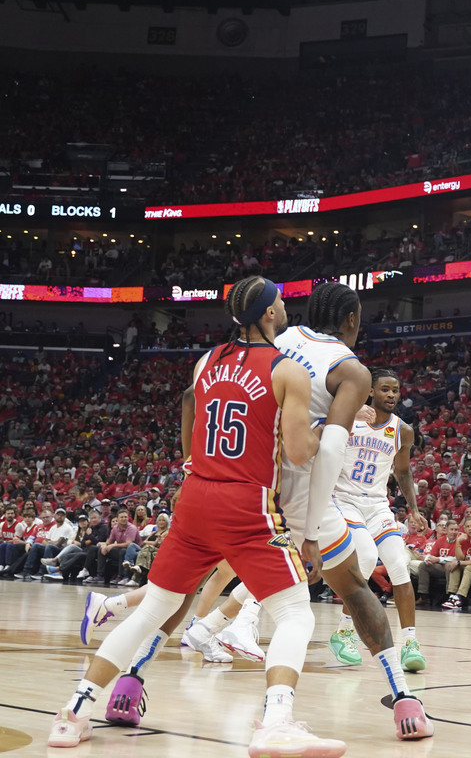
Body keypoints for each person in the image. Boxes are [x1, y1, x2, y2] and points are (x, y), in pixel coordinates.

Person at [47, 275, 348, 756]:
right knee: (295, 613)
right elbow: (297, 451)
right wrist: (329, 428)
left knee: (152, 611)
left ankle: (73, 713)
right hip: (245, 501)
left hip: (195, 496)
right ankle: (276, 722)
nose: (285, 308)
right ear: (270, 313)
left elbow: (196, 413)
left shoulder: (205, 361)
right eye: (280, 302)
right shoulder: (287, 369)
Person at [195, 281, 432, 739]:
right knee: (347, 589)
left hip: (250, 488)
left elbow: (200, 398)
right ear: (351, 319)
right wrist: (310, 531)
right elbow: (329, 452)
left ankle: (166, 650)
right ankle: (402, 698)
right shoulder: (350, 369)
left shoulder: (276, 341)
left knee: (181, 586)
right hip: (307, 500)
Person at [323, 367, 428, 672]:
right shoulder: (350, 417)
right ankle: (343, 632)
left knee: (399, 564)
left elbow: (403, 471)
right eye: (385, 389)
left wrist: (413, 508)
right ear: (370, 391)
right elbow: (320, 431)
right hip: (344, 499)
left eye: (395, 390)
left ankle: (410, 643)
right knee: (367, 557)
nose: (391, 394)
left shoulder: (403, 430)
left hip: (377, 504)